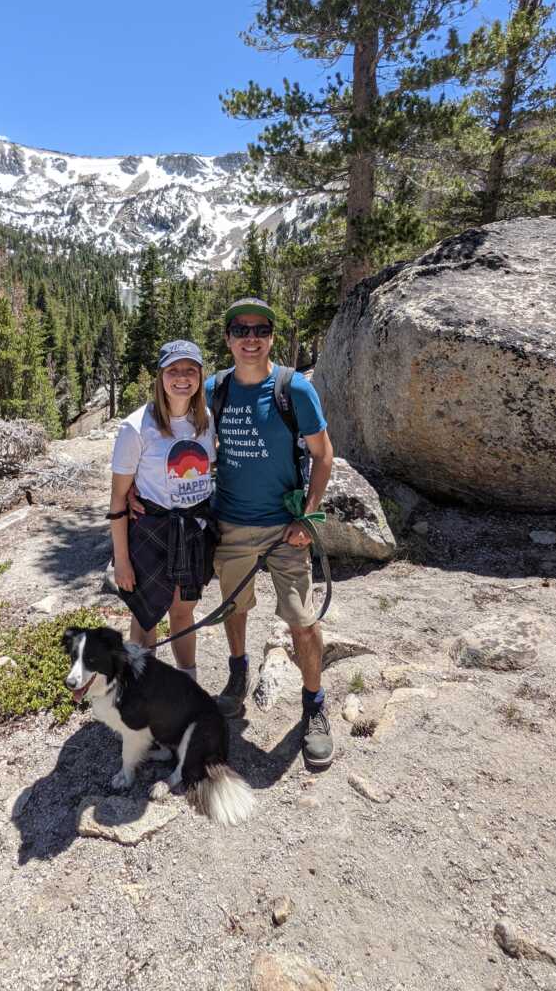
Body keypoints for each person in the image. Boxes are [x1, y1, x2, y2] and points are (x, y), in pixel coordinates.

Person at [206, 297, 335, 767]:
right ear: (228, 339)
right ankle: (238, 673)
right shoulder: (213, 388)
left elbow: (323, 455)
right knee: (233, 607)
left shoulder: (293, 389)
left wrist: (309, 516)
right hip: (232, 525)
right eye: (240, 330)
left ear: (272, 337)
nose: (250, 338)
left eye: (260, 329)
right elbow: (174, 430)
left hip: (285, 529)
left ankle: (315, 704)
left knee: (302, 619)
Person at [108, 340, 216, 681]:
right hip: (150, 534)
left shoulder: (206, 420)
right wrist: (122, 561)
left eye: (190, 370)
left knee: (183, 612)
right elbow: (116, 502)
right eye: (173, 370)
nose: (181, 378)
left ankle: (189, 685)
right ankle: (140, 691)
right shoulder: (136, 427)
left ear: (200, 376)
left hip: (192, 534)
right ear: (160, 377)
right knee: (146, 615)